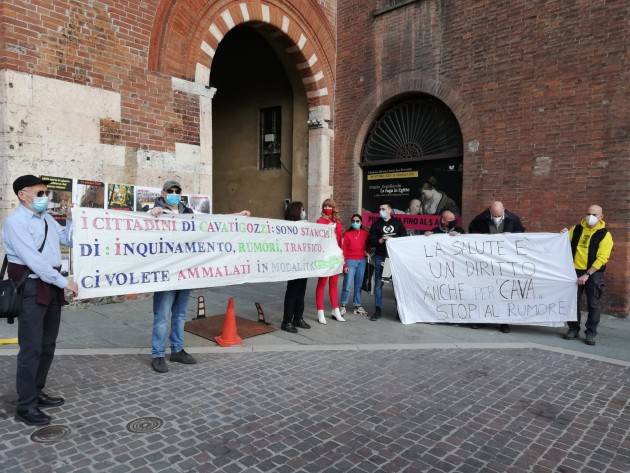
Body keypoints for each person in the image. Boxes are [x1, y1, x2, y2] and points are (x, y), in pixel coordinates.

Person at [148, 180, 250, 373]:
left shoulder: (187, 213)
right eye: (170, 191)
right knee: (162, 316)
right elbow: (141, 226)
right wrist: (152, 213)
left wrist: (237, 216)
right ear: (163, 193)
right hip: (166, 273)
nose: (174, 194)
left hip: (185, 273)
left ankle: (177, 349)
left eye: (177, 191)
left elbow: (211, 220)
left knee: (179, 315)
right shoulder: (156, 211)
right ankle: (158, 354)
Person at [2, 175, 78, 426]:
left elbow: (68, 239)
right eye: (41, 193)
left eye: (46, 193)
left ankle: (37, 391)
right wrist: (63, 281)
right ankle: (26, 406)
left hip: (50, 284)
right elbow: (33, 260)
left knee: (48, 344)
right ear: (23, 194)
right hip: (32, 286)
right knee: (31, 348)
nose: (46, 198)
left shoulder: (45, 218)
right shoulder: (15, 222)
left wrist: (73, 218)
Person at [468, 201, 525, 332]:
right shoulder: (480, 219)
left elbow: (521, 234)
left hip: (505, 263)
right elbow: (472, 233)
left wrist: (512, 237)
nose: (497, 216)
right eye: (494, 214)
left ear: (503, 210)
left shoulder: (513, 219)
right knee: (484, 291)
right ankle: (480, 319)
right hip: (485, 262)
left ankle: (504, 322)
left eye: (499, 214)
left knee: (503, 292)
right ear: (490, 211)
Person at [562, 205, 613, 346]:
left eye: (594, 214)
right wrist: (563, 234)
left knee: (593, 304)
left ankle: (591, 332)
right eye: (588, 213)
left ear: (601, 217)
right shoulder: (577, 228)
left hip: (593, 272)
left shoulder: (604, 234)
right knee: (573, 302)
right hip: (574, 271)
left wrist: (587, 274)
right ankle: (573, 328)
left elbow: (602, 258)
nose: (591, 217)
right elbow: (564, 242)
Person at [368, 202, 407, 321]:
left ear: (390, 210)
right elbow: (371, 240)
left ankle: (399, 311)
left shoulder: (397, 223)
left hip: (393, 258)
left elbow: (404, 237)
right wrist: (380, 240)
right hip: (380, 257)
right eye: (380, 209)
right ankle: (378, 310)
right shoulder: (376, 224)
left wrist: (393, 240)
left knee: (396, 285)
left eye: (384, 209)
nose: (381, 211)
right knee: (379, 285)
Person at [281, 202, 311, 333]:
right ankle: (286, 321)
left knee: (301, 292)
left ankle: (298, 318)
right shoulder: (286, 227)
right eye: (302, 209)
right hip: (292, 265)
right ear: (296, 211)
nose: (304, 211)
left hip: (303, 264)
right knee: (292, 292)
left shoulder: (305, 226)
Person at [315, 199, 346, 324]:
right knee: (322, 283)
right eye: (325, 206)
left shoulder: (337, 222)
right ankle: (320, 311)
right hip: (324, 256)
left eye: (329, 206)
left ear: (334, 208)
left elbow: (340, 240)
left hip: (335, 256)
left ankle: (335, 310)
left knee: (334, 284)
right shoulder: (319, 221)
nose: (327, 208)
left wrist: (342, 256)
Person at [340, 214, 370, 316]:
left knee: (359, 284)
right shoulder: (347, 234)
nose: (355, 223)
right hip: (350, 261)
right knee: (347, 284)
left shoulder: (365, 233)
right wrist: (344, 265)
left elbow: (369, 245)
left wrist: (367, 252)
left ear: (361, 222)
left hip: (362, 261)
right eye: (353, 221)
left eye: (357, 221)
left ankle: (357, 305)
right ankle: (343, 305)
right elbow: (343, 251)